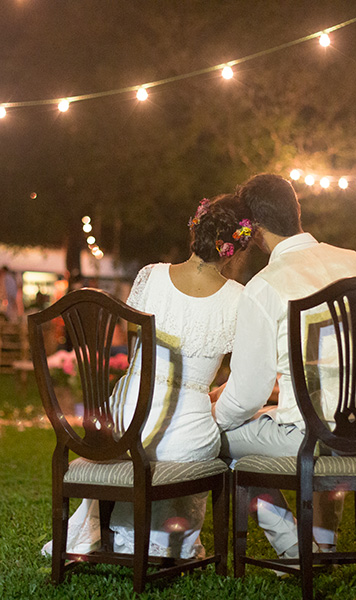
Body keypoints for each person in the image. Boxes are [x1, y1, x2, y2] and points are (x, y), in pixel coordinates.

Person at [41, 193, 254, 559]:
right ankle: (163, 541)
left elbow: (136, 344)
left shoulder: (150, 276)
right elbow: (241, 373)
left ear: (195, 231)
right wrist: (209, 393)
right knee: (213, 438)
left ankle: (121, 532)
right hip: (184, 435)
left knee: (144, 428)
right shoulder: (239, 297)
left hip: (123, 422)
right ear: (233, 249)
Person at [211, 173, 356, 559]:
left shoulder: (265, 285)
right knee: (294, 418)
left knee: (214, 441)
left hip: (310, 439)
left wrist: (212, 413)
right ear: (295, 210)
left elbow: (248, 396)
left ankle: (293, 546)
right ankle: (323, 545)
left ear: (254, 230)